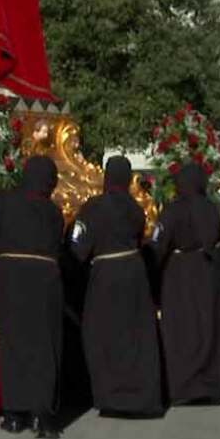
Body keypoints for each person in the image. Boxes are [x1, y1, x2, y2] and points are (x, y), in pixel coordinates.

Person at [0, 155, 66, 437]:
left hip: (11, 280)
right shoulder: (54, 213)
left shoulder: (4, 202)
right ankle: (41, 415)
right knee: (44, 345)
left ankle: (14, 413)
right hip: (45, 282)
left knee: (12, 345)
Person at [68, 156, 162, 417]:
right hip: (134, 275)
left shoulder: (93, 207)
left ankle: (112, 397)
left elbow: (78, 246)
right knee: (134, 335)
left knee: (103, 334)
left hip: (105, 276)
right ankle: (139, 396)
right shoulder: (135, 207)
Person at [153, 163, 220, 405]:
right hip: (206, 270)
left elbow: (160, 242)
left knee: (181, 328)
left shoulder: (173, 209)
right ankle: (208, 384)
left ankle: (182, 386)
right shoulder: (210, 208)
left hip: (178, 274)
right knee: (206, 326)